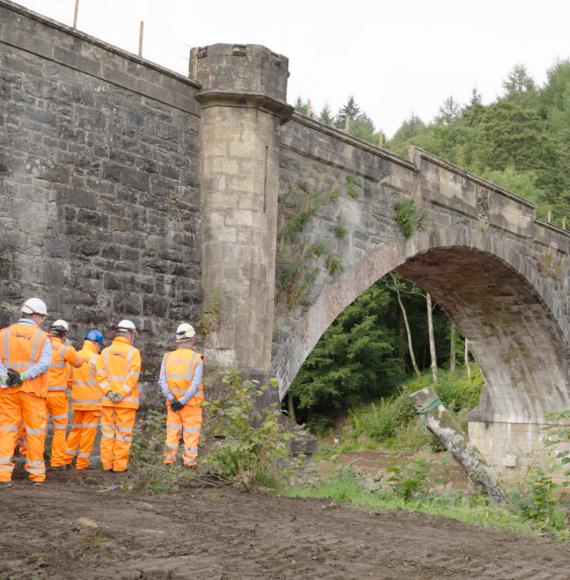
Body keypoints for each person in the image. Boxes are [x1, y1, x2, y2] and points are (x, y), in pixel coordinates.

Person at [0, 298, 52, 488]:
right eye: (43, 317)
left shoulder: (3, 334)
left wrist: (6, 377)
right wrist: (23, 376)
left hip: (8, 390)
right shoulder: (42, 337)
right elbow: (45, 364)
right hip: (32, 391)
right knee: (35, 432)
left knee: (6, 431)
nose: (43, 321)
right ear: (36, 315)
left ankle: (3, 476)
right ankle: (37, 476)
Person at [159, 323, 204, 468]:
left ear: (178, 339)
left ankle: (169, 461)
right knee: (191, 434)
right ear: (191, 339)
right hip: (191, 405)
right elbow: (195, 384)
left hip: (172, 405)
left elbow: (162, 380)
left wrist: (172, 400)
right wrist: (183, 401)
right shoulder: (197, 358)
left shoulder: (167, 357)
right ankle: (189, 464)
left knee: (172, 433)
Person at [99, 320, 141, 473]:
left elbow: (100, 376)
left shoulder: (104, 352)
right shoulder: (133, 352)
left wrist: (109, 392)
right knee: (123, 435)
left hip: (107, 401)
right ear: (129, 334)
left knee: (108, 434)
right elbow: (133, 377)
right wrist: (120, 394)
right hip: (126, 403)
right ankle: (119, 467)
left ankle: (107, 465)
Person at [64, 330, 106, 470]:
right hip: (93, 404)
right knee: (88, 433)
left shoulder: (75, 356)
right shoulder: (97, 358)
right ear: (95, 343)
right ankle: (81, 463)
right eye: (99, 345)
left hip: (77, 401)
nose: (99, 348)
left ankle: (67, 458)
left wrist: (78, 390)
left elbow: (68, 380)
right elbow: (102, 380)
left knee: (75, 430)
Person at [46, 320, 82, 469]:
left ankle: (32, 460)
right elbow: (78, 362)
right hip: (58, 396)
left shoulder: (41, 347)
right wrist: (68, 346)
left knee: (36, 429)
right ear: (64, 334)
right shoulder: (64, 349)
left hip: (39, 394)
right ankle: (57, 462)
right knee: (60, 429)